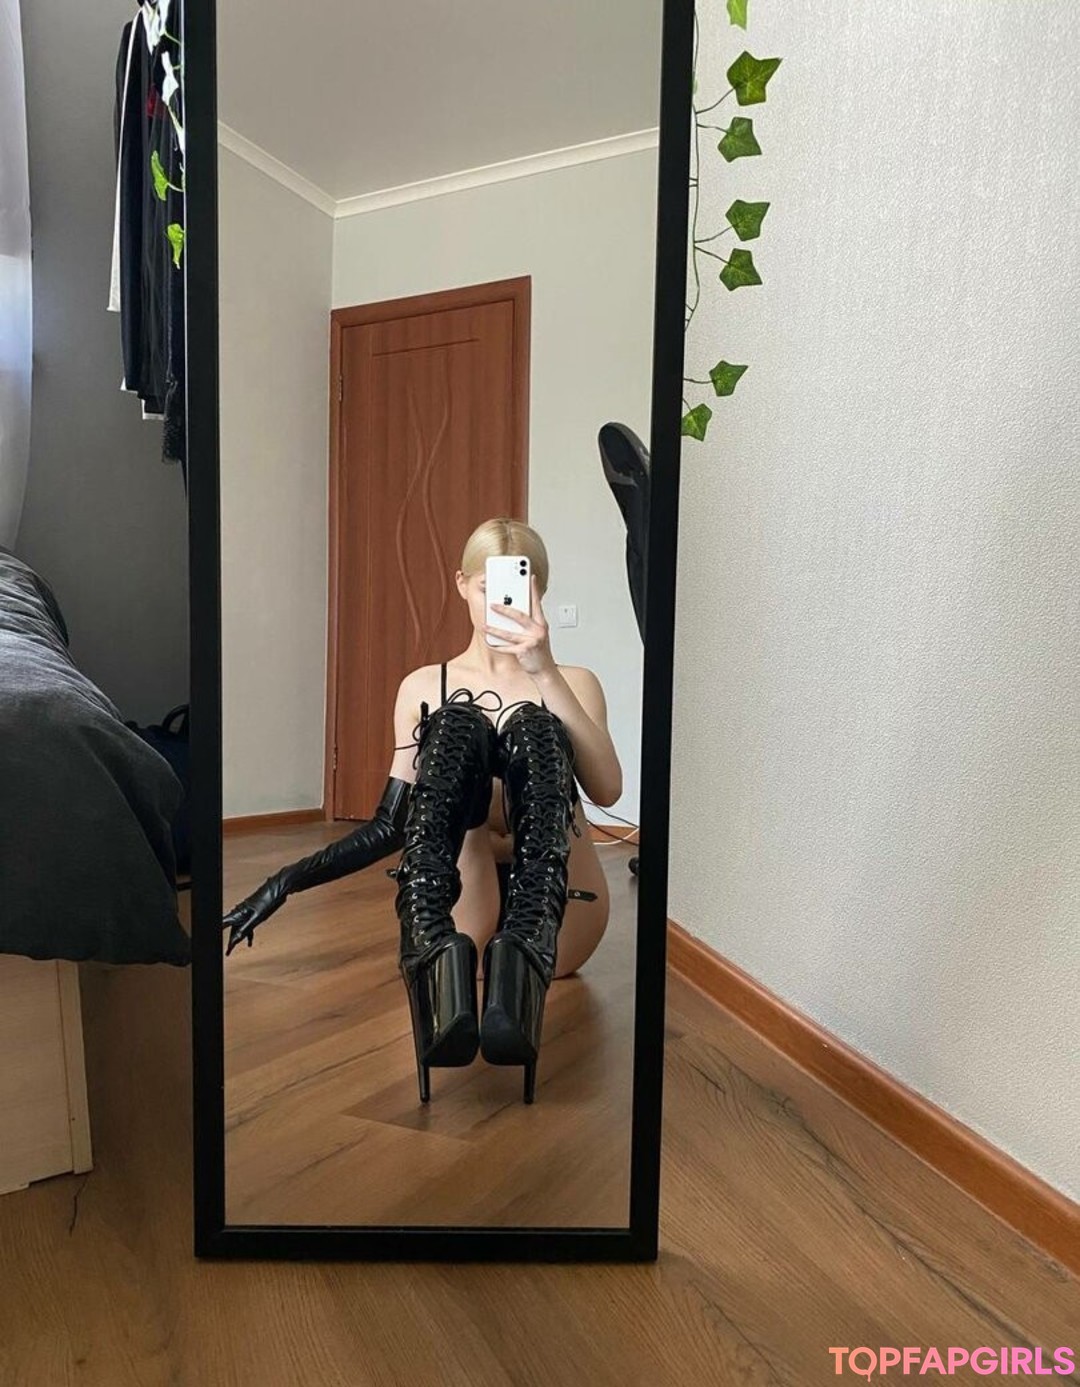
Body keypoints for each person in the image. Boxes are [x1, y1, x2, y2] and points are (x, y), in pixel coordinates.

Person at [222, 518, 623, 1105]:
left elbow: (607, 790)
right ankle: (441, 944)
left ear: (540, 589)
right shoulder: (423, 687)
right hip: (468, 890)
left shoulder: (574, 682)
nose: (501, 601)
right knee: (458, 728)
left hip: (561, 906)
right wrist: (285, 881)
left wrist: (543, 670)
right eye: (487, 587)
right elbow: (393, 824)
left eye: (521, 585)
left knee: (533, 730)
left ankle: (520, 945)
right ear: (461, 585)